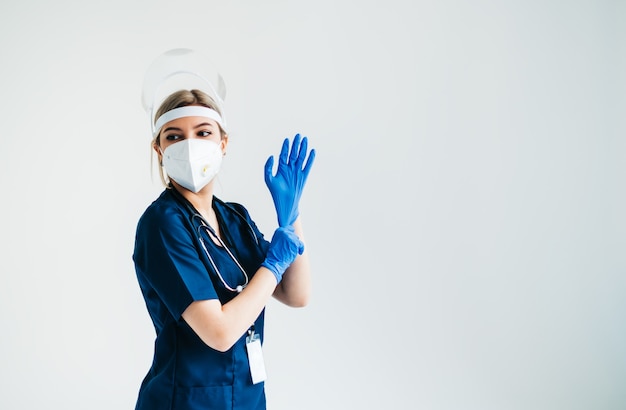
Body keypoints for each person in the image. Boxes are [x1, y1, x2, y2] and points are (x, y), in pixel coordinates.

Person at [133, 88, 315, 410]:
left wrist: (292, 217)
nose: (190, 146)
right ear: (159, 149)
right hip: (186, 401)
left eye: (203, 133)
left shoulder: (234, 218)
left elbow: (295, 293)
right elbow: (219, 332)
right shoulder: (162, 224)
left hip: (246, 397)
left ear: (223, 144)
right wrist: (272, 265)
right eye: (174, 137)